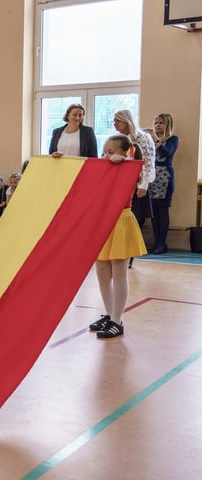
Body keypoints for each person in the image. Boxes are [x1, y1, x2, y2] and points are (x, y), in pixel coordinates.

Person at [88, 134, 150, 339]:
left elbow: (138, 169)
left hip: (120, 222)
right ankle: (109, 314)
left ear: (125, 152)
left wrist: (124, 161)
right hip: (102, 223)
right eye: (104, 152)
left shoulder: (130, 168)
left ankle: (117, 320)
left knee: (119, 271)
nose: (106, 156)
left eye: (111, 152)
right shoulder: (103, 168)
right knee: (102, 270)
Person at [113, 109, 156, 233]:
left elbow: (147, 162)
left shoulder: (142, 138)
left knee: (135, 218)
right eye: (114, 121)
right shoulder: (120, 139)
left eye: (118, 121)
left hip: (138, 183)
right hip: (124, 183)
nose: (115, 124)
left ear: (127, 121)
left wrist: (143, 185)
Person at [145, 113, 179, 255]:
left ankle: (162, 243)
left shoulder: (173, 139)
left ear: (167, 125)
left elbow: (165, 153)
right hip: (152, 177)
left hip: (165, 177)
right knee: (154, 212)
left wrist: (156, 139)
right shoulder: (150, 140)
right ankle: (156, 242)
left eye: (161, 123)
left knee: (163, 210)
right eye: (156, 122)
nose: (157, 125)